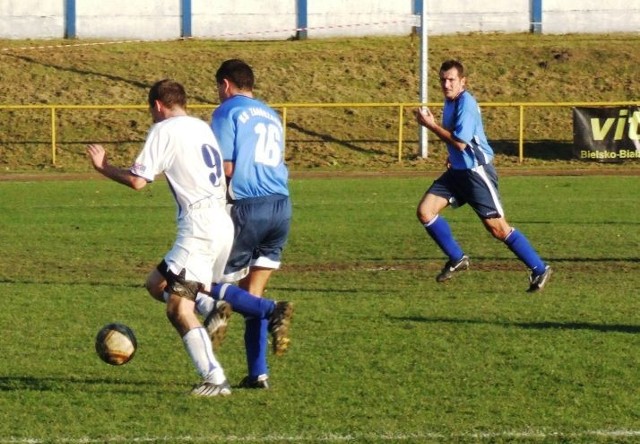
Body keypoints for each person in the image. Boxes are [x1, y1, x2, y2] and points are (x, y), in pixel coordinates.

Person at [86, 79, 284, 397]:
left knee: (178, 309)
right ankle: (212, 305)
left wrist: (104, 167)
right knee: (157, 285)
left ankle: (214, 378)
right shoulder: (201, 127)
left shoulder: (164, 130)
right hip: (220, 223)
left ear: (157, 106)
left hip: (199, 229)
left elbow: (138, 181)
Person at [413, 60, 552, 292]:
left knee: (497, 228)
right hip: (458, 171)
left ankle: (539, 268)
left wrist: (430, 125)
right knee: (425, 211)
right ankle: (457, 258)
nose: (446, 84)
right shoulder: (450, 101)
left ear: (462, 81)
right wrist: (451, 155)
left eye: (451, 80)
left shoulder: (466, 103)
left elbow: (459, 142)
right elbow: (459, 143)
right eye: (443, 80)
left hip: (476, 172)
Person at [207, 59, 293, 389]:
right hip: (281, 207)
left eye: (219, 89)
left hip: (247, 207)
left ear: (226, 85)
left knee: (205, 281)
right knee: (252, 293)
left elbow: (226, 166)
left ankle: (272, 311)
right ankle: (258, 374)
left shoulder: (227, 112)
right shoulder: (271, 113)